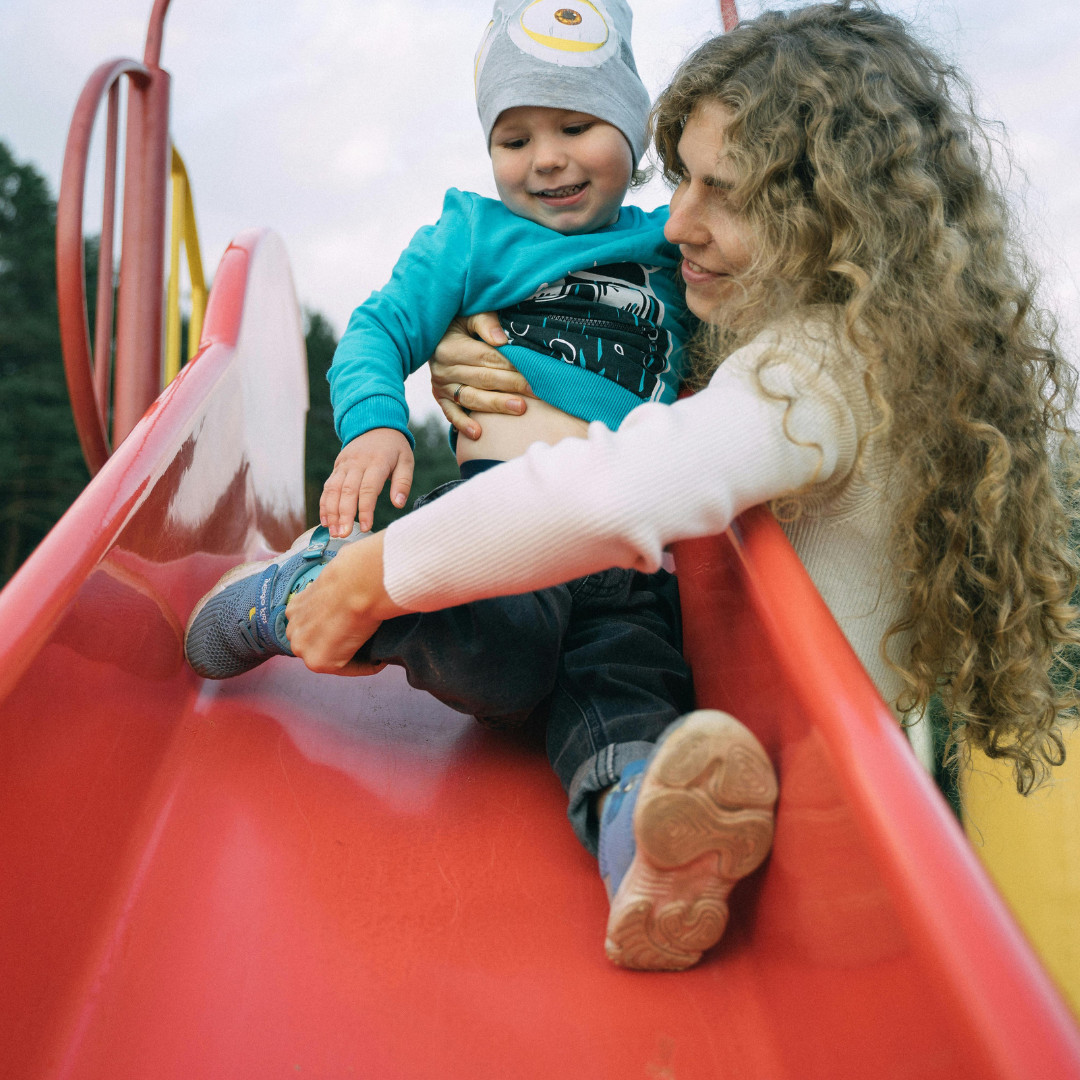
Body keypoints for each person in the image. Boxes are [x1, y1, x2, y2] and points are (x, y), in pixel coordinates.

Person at [284, 0, 1080, 970]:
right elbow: (658, 399)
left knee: (601, 684)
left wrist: (370, 574)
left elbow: (630, 482)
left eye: (725, 192)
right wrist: (490, 346)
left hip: (845, 866)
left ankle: (323, 592)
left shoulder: (818, 371)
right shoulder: (842, 335)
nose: (681, 223)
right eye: (684, 180)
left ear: (824, 211)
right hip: (824, 819)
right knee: (522, 638)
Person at [185, 0, 779, 971]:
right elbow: (379, 328)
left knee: (632, 693)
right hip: (508, 530)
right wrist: (375, 424)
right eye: (514, 136)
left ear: (632, 136)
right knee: (500, 652)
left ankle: (645, 848)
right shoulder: (470, 235)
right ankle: (300, 590)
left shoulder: (671, 256)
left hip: (636, 558)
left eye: (577, 128)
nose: (544, 158)